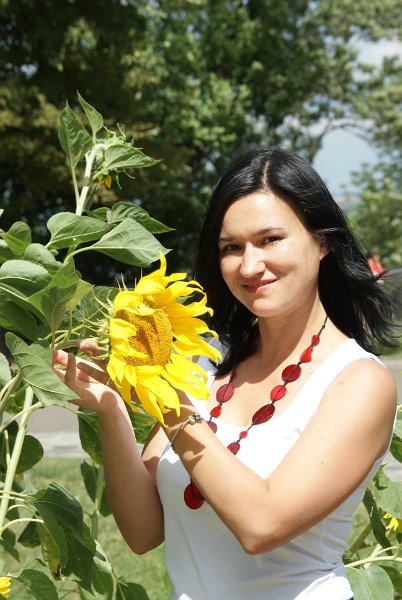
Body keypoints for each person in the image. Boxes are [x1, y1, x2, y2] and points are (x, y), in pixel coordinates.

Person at [54, 148, 397, 600]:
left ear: (322, 242)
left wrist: (167, 396)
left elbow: (262, 524)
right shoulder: (205, 361)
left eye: (270, 239)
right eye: (231, 247)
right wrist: (112, 408)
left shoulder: (358, 381)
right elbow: (143, 532)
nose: (249, 266)